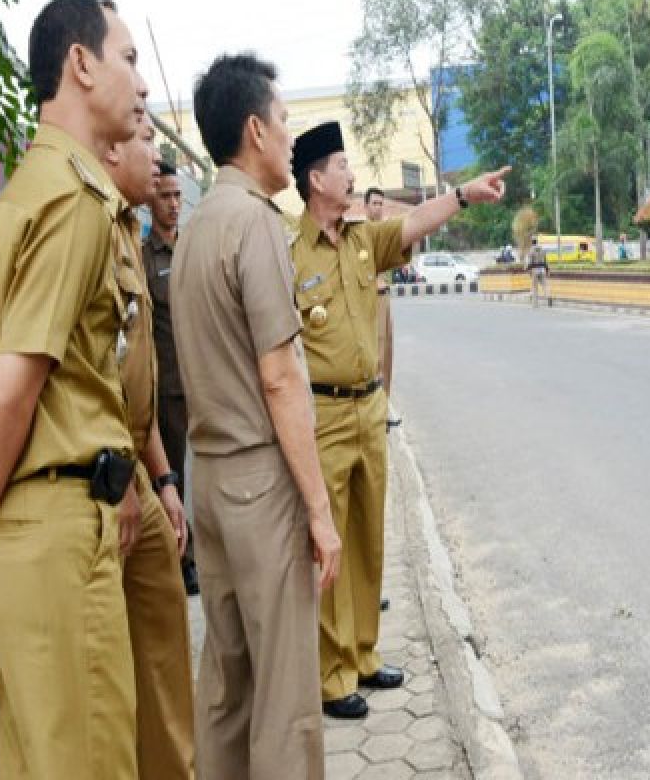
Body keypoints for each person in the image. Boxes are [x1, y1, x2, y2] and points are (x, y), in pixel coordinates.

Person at [0, 0, 148, 778]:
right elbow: (2, 395)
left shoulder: (17, 200)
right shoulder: (75, 200)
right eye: (128, 59)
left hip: (18, 540)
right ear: (81, 63)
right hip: (60, 537)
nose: (139, 82)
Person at [289, 120, 509, 719]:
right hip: (325, 414)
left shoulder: (365, 240)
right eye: (341, 166)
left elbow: (414, 223)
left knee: (367, 538)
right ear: (315, 179)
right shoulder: (289, 250)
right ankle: (332, 676)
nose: (352, 175)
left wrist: (464, 195)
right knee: (330, 545)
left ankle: (362, 654)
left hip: (368, 408)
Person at [171, 53, 341, 779]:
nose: (288, 135)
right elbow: (280, 379)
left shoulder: (196, 224)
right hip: (258, 483)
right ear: (253, 130)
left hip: (207, 475)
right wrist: (319, 510)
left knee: (226, 686)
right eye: (282, 121)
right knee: (285, 695)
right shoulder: (257, 226)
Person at [102, 114, 195, 779]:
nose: (159, 167)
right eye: (140, 138)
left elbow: (134, 378)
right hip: (108, 474)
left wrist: (162, 484)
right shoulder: (81, 227)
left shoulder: (123, 237)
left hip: (147, 449)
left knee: (166, 644)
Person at [142, 158, 199, 595]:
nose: (174, 204)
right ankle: (183, 560)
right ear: (151, 200)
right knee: (173, 477)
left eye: (178, 196)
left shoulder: (194, 248)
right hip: (170, 391)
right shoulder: (145, 260)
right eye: (165, 196)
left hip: (205, 384)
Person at [365, 186, 402, 430]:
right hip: (371, 297)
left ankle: (385, 403)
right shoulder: (362, 233)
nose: (378, 208)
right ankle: (376, 408)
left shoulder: (383, 231)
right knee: (376, 354)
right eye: (375, 204)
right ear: (366, 206)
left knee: (388, 353)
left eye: (381, 204)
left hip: (385, 294)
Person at [528, 237, 549, 307]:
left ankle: (535, 303)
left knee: (535, 287)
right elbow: (545, 260)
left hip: (535, 269)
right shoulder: (542, 249)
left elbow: (530, 262)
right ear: (536, 241)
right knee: (544, 285)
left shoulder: (531, 250)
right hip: (542, 268)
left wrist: (529, 270)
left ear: (532, 242)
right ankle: (548, 296)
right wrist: (547, 269)